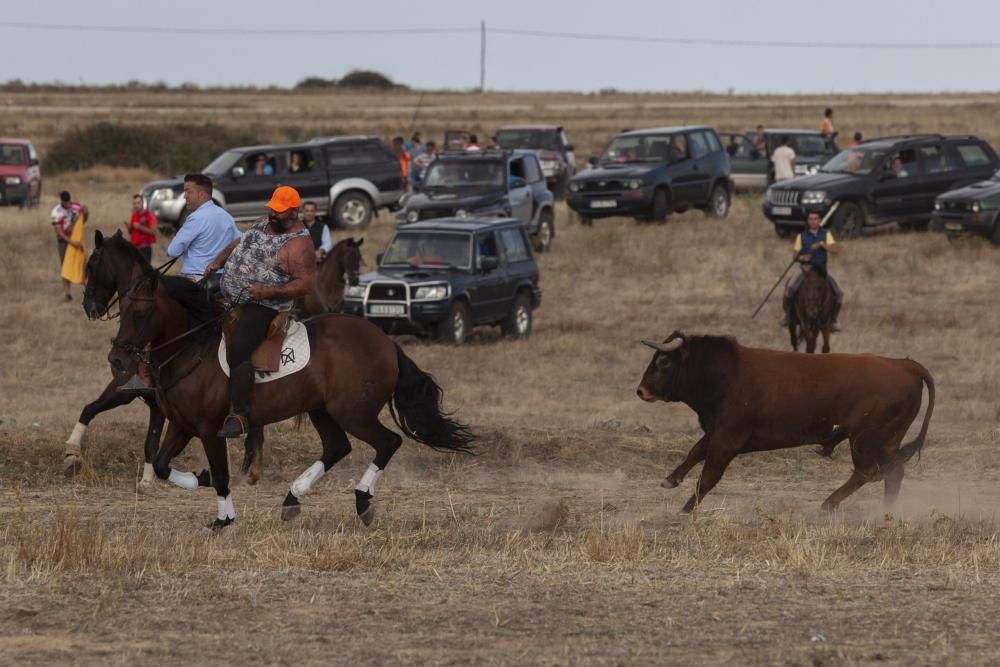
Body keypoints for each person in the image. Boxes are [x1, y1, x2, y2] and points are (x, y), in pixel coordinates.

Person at [206, 186, 316, 438]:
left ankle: (240, 414)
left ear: (294, 211)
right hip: (228, 291)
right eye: (272, 209)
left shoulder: (300, 244)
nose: (273, 215)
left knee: (240, 347)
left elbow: (306, 284)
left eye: (279, 211)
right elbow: (239, 242)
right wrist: (219, 260)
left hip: (263, 305)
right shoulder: (262, 222)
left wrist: (267, 292)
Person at [166, 173, 241, 280]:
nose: (184, 196)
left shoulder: (196, 218)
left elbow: (173, 251)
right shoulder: (226, 216)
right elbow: (238, 242)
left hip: (196, 280)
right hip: (221, 280)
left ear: (202, 194)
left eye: (188, 191)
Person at [781, 210, 843, 331]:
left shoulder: (826, 235)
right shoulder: (802, 236)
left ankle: (834, 320)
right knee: (790, 288)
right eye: (810, 219)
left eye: (815, 219)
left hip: (821, 270)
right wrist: (803, 257)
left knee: (839, 293)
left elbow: (836, 249)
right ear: (808, 221)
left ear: (819, 220)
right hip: (806, 270)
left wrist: (822, 245)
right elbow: (794, 256)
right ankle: (788, 316)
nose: (813, 221)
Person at [51, 191, 88, 302]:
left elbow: (83, 220)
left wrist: (86, 213)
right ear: (61, 201)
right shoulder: (56, 212)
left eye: (69, 202)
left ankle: (87, 287)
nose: (68, 205)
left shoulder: (76, 206)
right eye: (66, 203)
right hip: (64, 242)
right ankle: (68, 294)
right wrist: (73, 243)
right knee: (65, 267)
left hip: (77, 239)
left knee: (84, 264)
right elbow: (59, 232)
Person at [128, 193, 157, 263]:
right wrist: (129, 228)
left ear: (143, 202)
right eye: (134, 203)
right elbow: (131, 232)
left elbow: (153, 232)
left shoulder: (149, 215)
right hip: (134, 248)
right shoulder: (134, 215)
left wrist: (140, 227)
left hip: (145, 248)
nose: (136, 205)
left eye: (138, 203)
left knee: (145, 272)